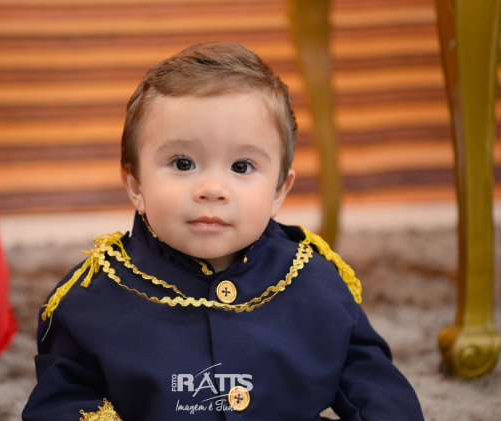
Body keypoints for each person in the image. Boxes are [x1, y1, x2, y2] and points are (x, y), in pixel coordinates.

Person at [22, 42, 424, 420]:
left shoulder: (317, 283)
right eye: (183, 163)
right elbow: (62, 402)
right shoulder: (91, 300)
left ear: (279, 191)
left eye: (241, 167)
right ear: (136, 185)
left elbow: (375, 386)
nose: (213, 189)